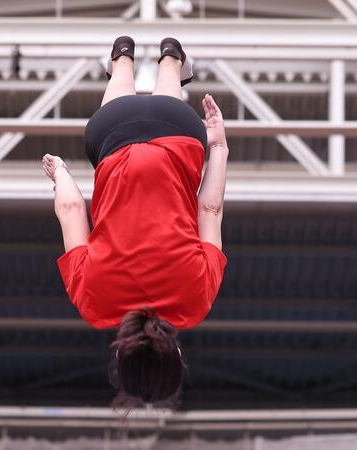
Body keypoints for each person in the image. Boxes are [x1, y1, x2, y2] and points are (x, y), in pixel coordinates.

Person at [41, 36, 229, 407]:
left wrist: (218, 147)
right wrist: (60, 173)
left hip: (178, 131)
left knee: (167, 113)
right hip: (114, 134)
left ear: (176, 355)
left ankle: (171, 61)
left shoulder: (197, 303)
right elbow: (72, 211)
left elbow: (209, 210)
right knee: (118, 117)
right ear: (119, 355)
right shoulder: (93, 305)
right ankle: (122, 58)